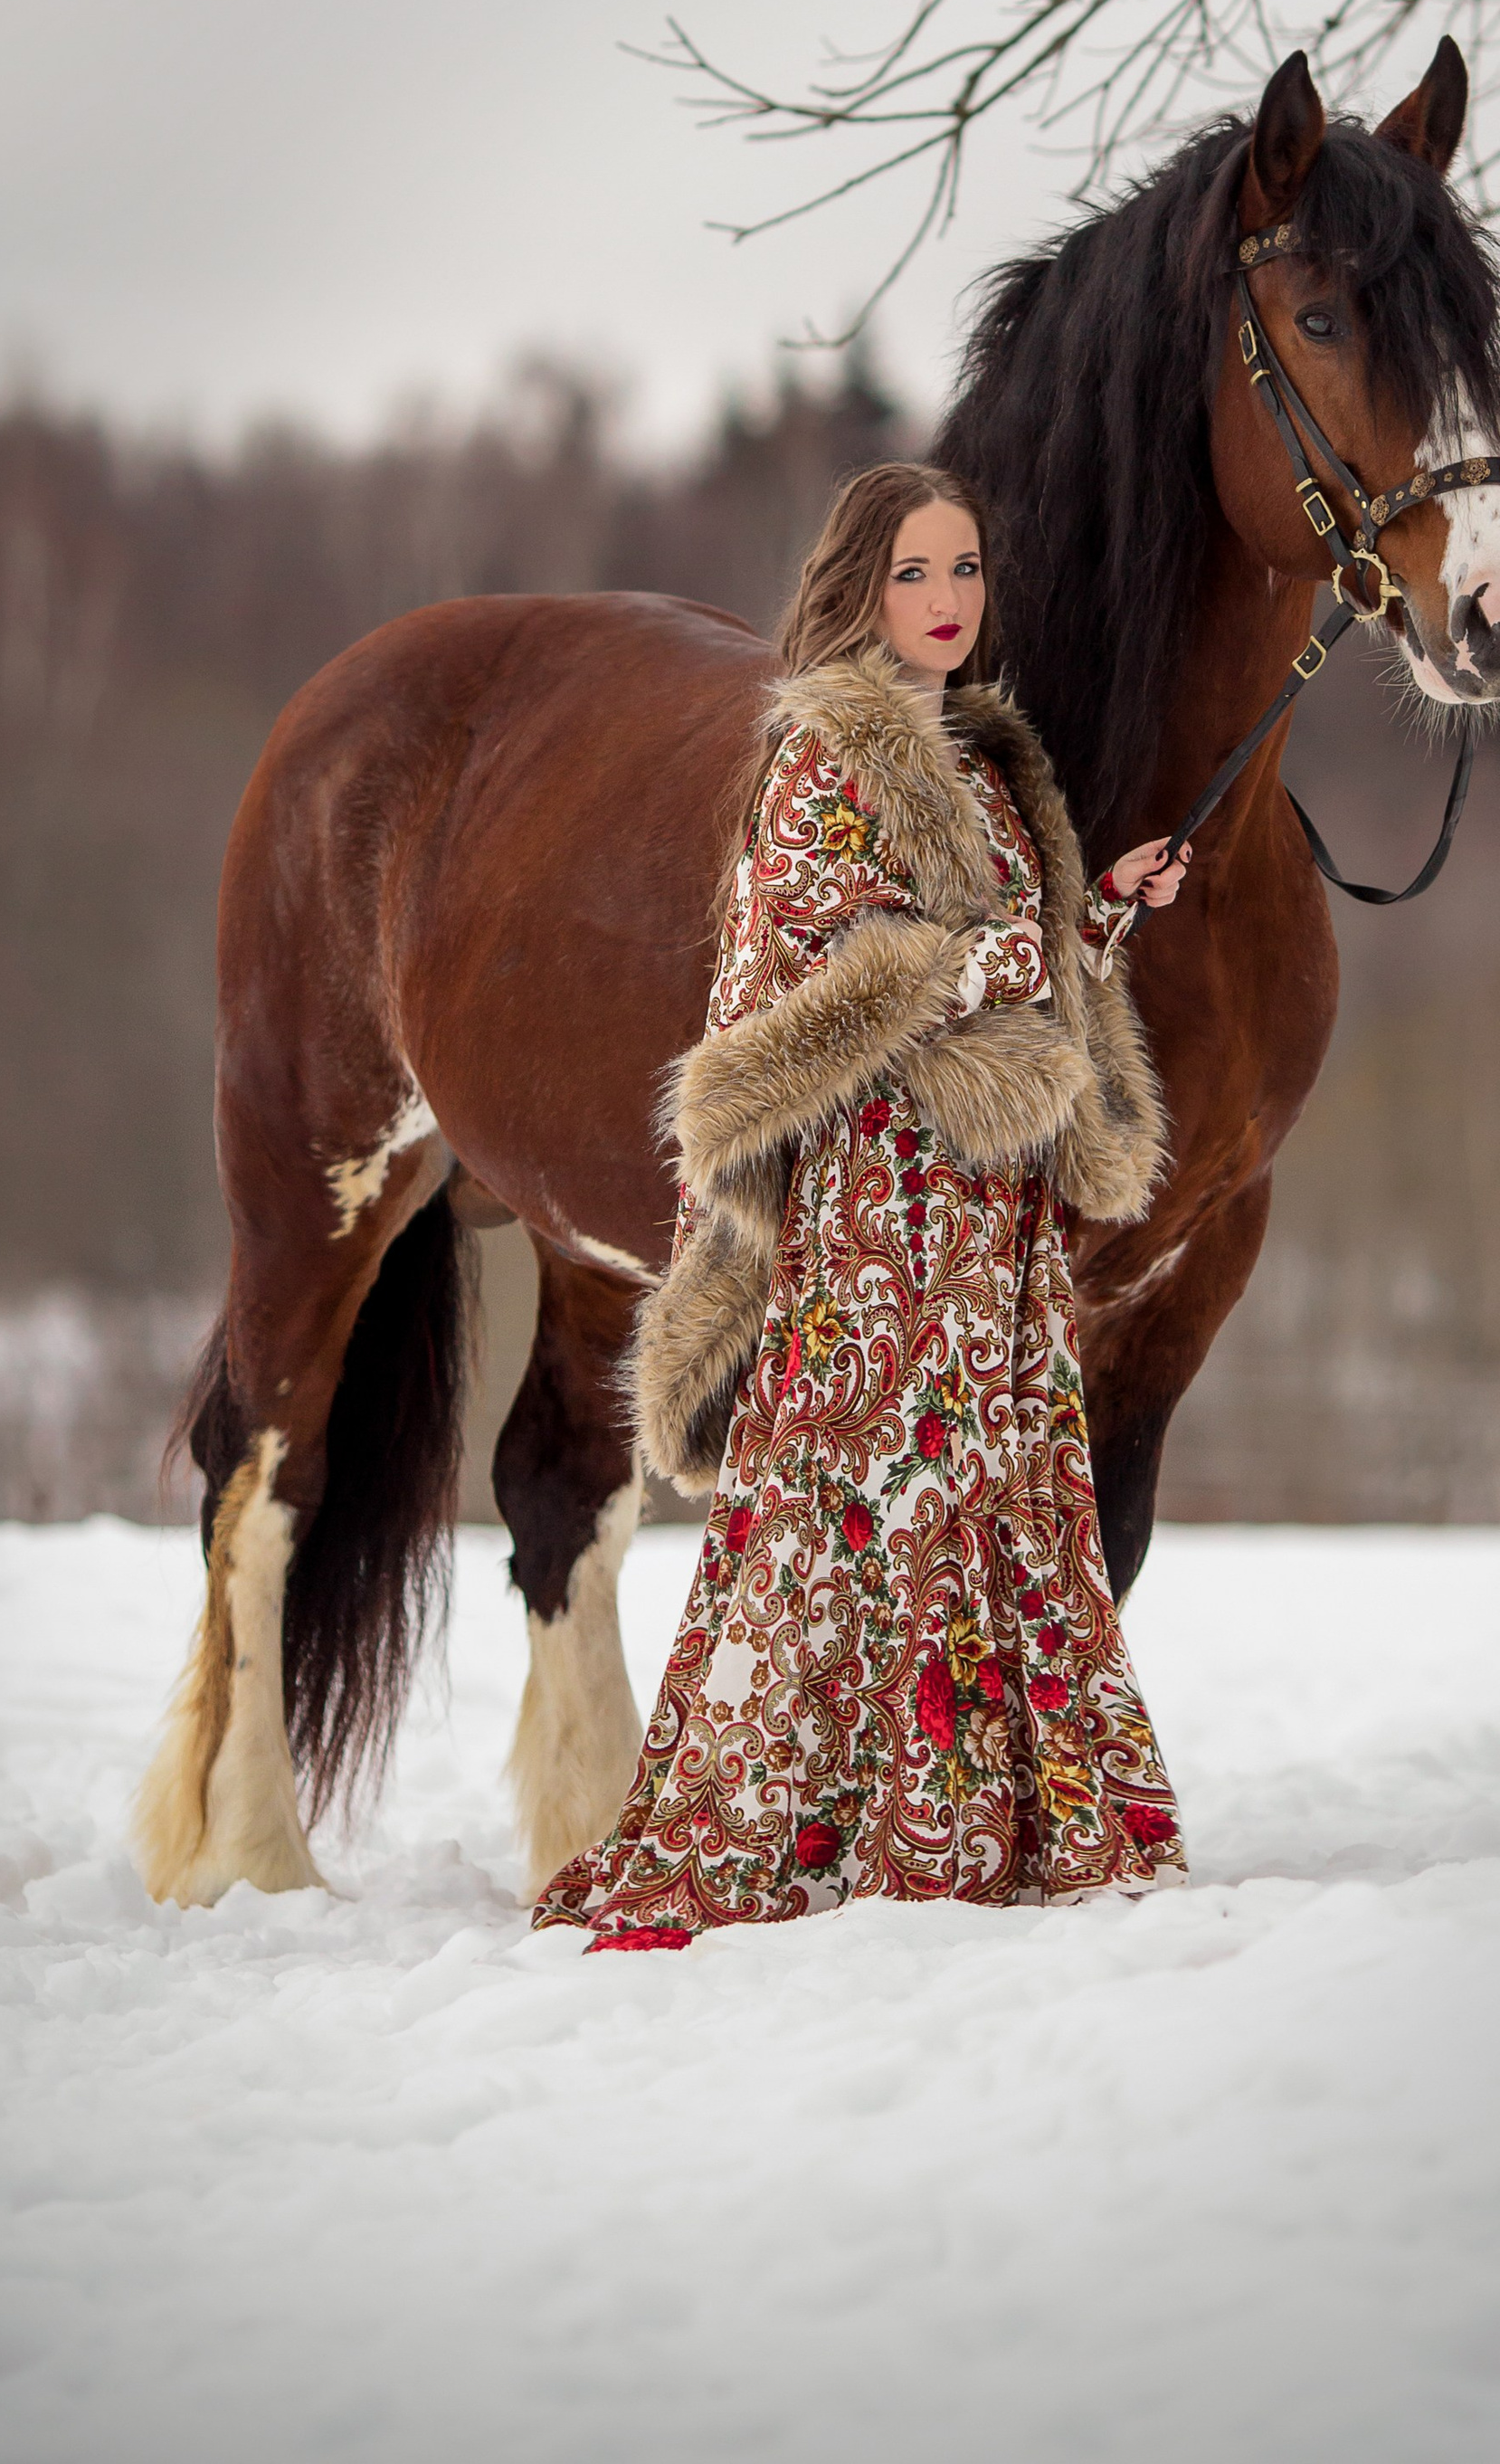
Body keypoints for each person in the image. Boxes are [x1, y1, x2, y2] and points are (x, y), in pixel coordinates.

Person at [535, 462, 1191, 1945]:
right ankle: (834, 1818)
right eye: (915, 574)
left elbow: (1004, 957)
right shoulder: (827, 749)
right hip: (883, 1214)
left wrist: (1098, 921)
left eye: (965, 572)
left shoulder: (982, 756)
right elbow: (814, 969)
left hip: (992, 1220)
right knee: (867, 1503)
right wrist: (984, 967)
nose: (948, 602)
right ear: (859, 585)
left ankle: (1000, 1813)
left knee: (996, 1490)